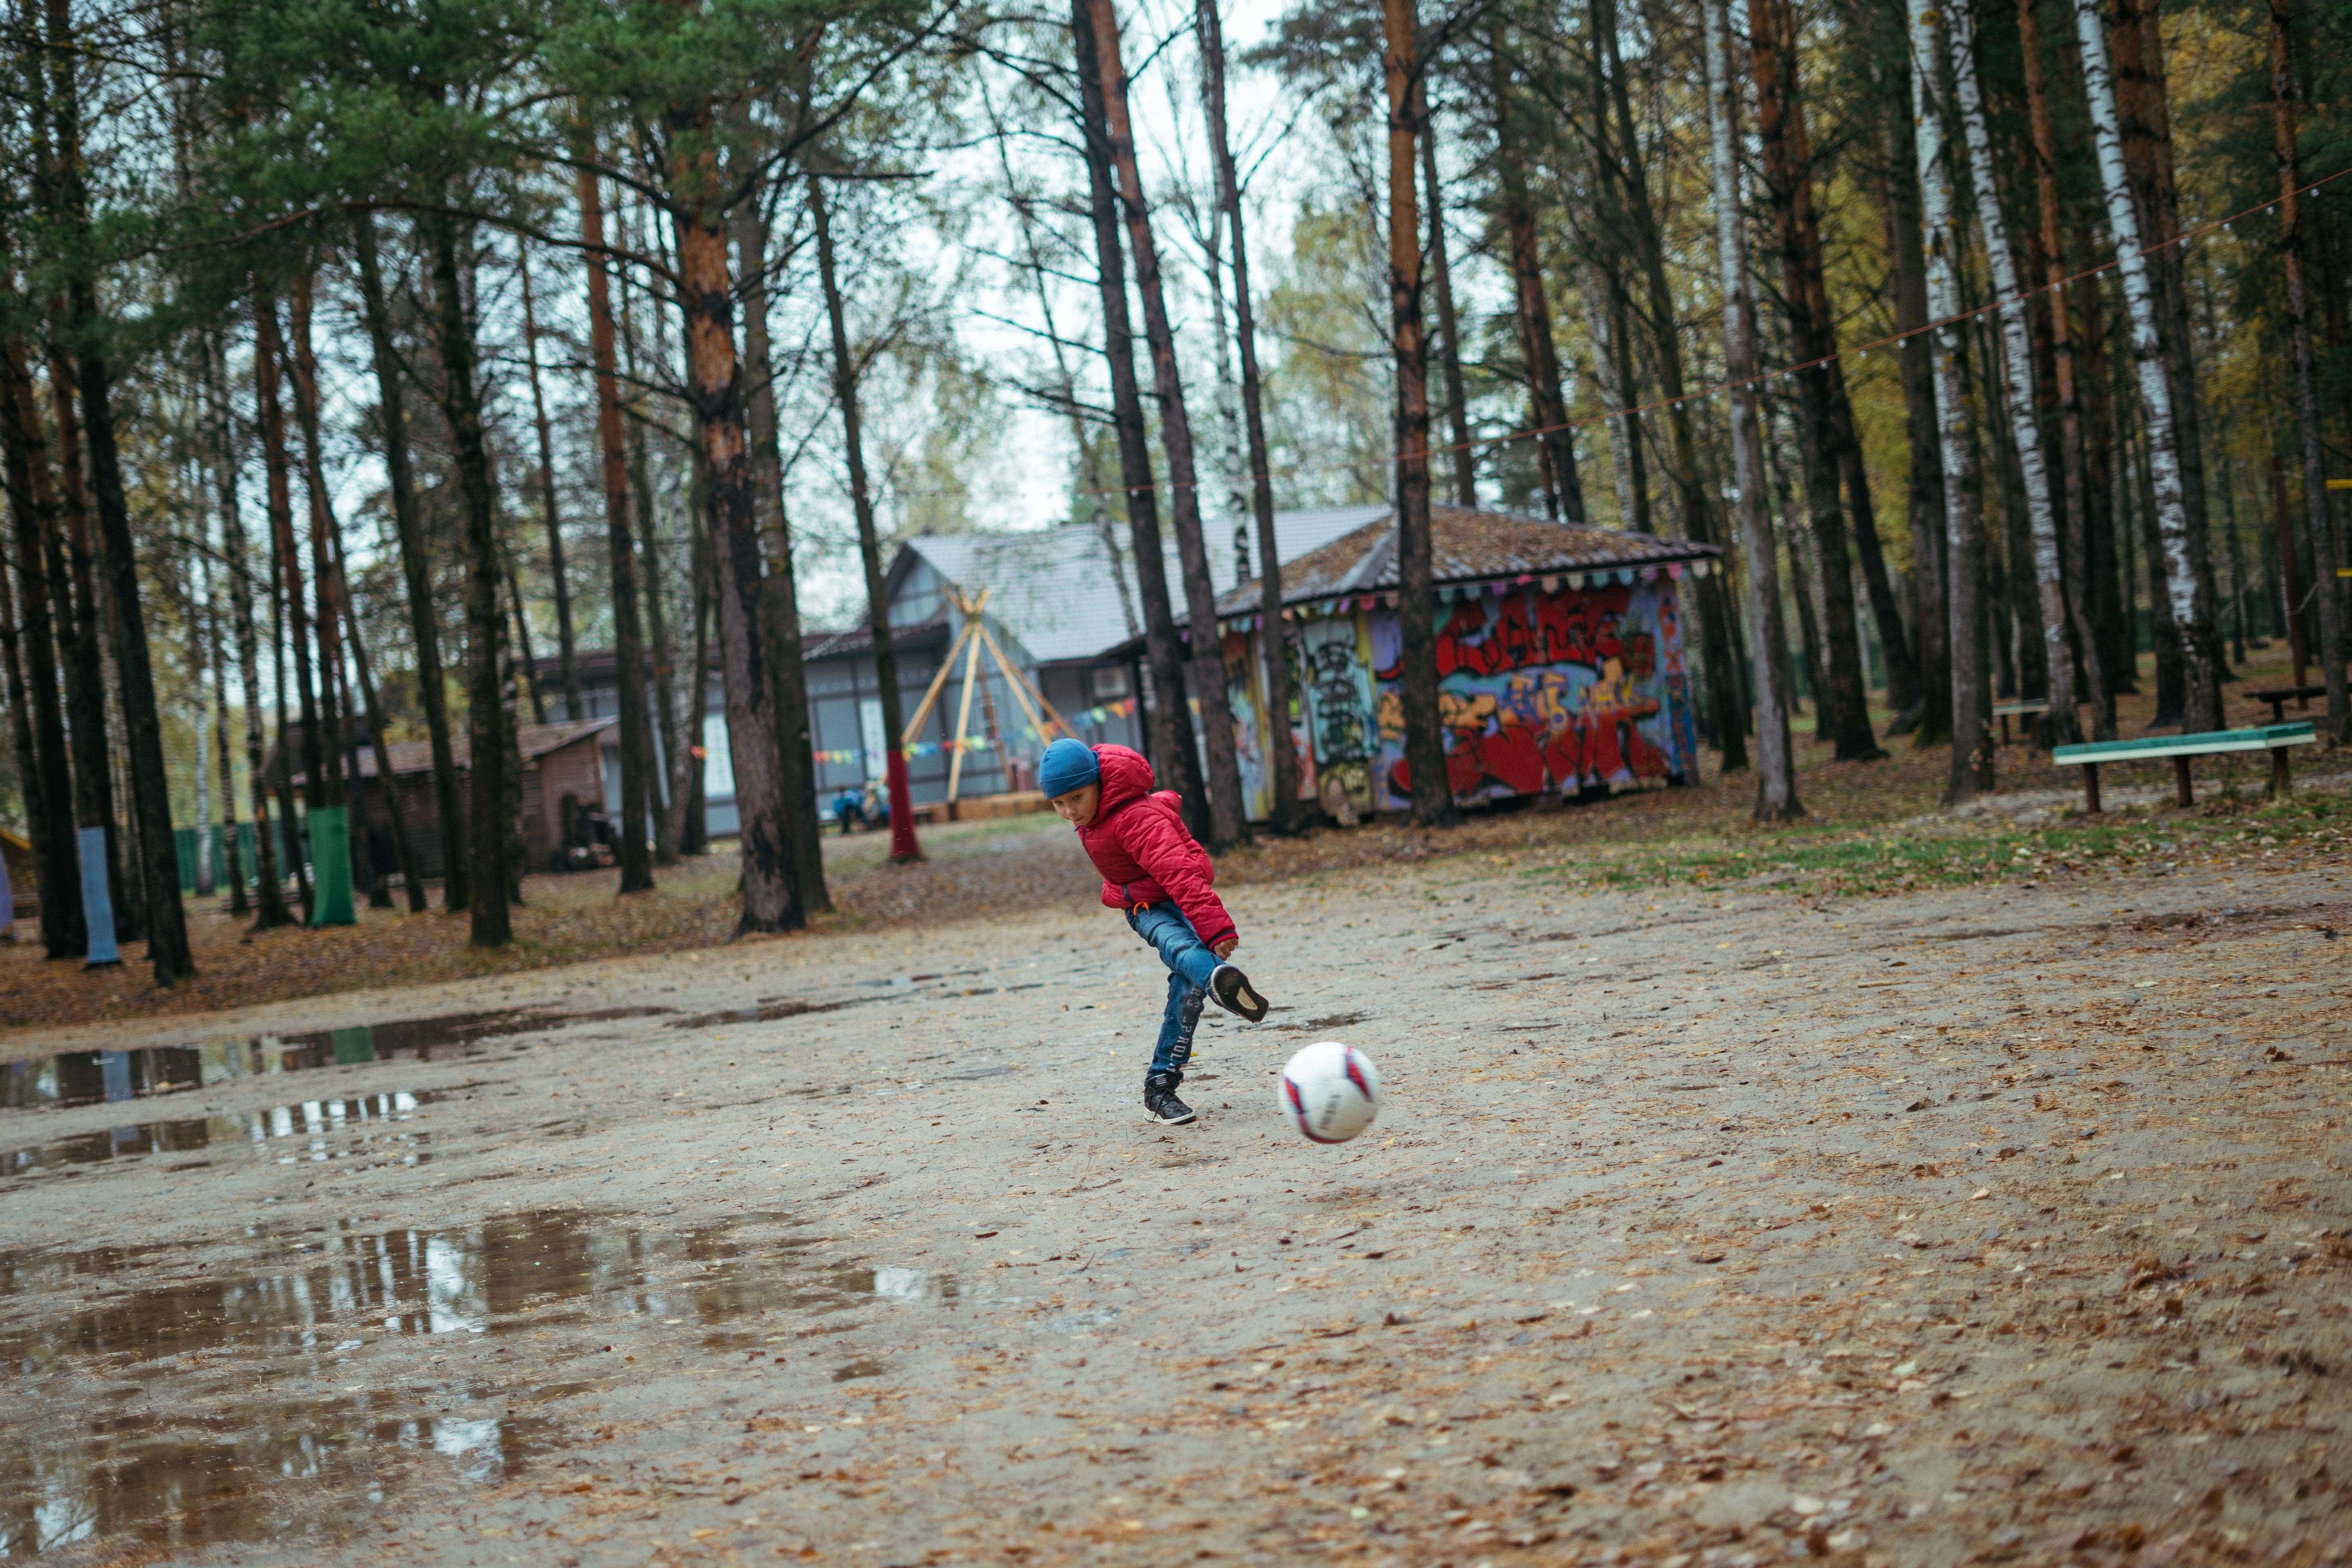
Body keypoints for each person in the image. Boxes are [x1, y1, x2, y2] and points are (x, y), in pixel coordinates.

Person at [1039, 737, 1268, 1125]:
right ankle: (1214, 978)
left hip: (1174, 896)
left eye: (1076, 798)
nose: (1068, 812)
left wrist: (1216, 928)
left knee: (1186, 978)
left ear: (1099, 782)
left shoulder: (1135, 818)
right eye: (1058, 804)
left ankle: (1160, 1086)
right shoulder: (1100, 812)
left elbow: (1178, 872)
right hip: (1144, 905)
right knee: (1177, 947)